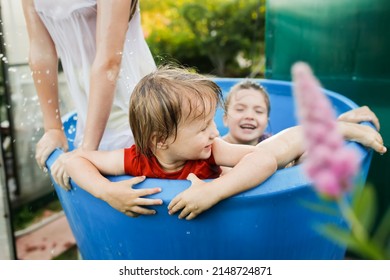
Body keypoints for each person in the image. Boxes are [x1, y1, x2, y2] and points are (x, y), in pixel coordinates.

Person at [64, 66, 387, 220]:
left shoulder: (213, 150)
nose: (214, 132)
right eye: (203, 127)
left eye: (212, 123)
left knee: (275, 150)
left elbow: (265, 162)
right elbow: (76, 159)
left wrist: (216, 189)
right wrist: (106, 192)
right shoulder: (136, 159)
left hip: (270, 167)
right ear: (160, 140)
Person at [22, 0, 156, 189]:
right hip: (91, 113)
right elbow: (40, 52)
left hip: (135, 104)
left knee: (145, 185)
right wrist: (53, 128)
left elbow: (109, 62)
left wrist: (86, 151)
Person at [222, 80, 271, 146]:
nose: (249, 116)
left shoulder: (272, 145)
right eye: (240, 109)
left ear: (267, 122)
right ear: (225, 119)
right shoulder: (212, 149)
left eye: (258, 111)